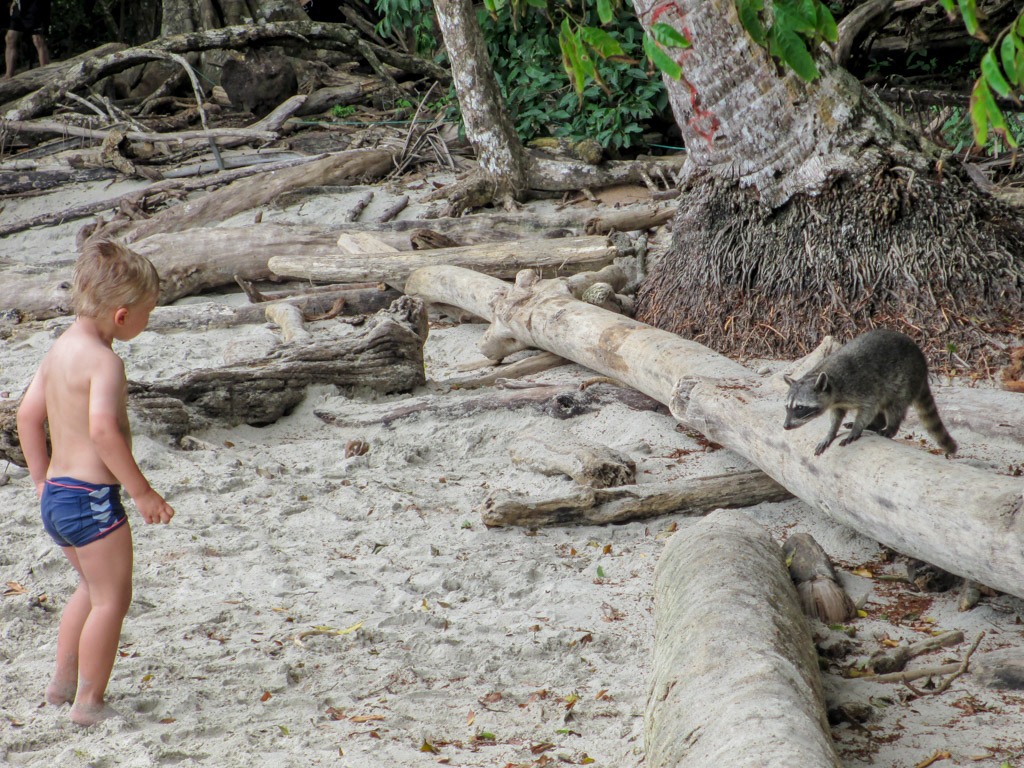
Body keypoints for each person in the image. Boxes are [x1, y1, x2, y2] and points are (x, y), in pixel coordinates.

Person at [16, 238, 175, 727]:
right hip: (92, 501)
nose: (149, 320)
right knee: (111, 600)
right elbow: (104, 432)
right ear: (123, 316)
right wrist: (142, 491)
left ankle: (62, 684)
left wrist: (41, 479)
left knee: (88, 587)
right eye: (149, 312)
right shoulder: (105, 363)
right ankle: (88, 703)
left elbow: (26, 415)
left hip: (59, 499)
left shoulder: (60, 348)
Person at [4, 0, 51, 80]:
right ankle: (8, 75)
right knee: (10, 37)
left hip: (35, 4)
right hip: (20, 4)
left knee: (38, 39)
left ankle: (46, 73)